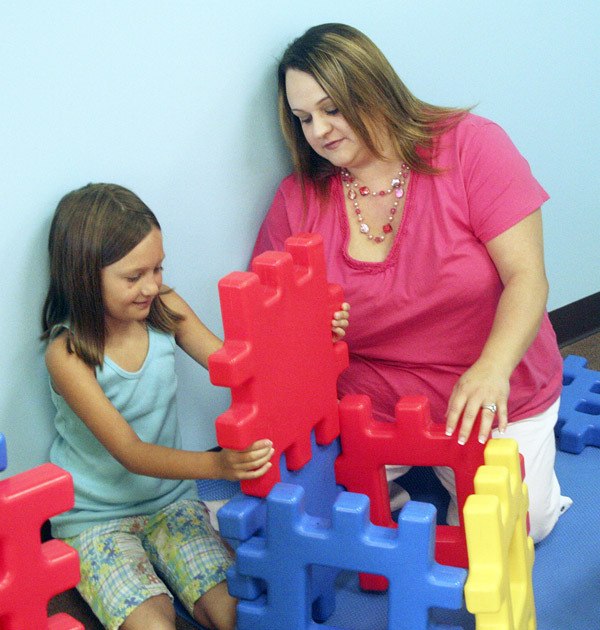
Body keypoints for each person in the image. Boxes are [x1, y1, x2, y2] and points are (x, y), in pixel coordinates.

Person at [253, 23, 571, 542]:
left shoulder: (471, 145)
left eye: (333, 109)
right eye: (303, 118)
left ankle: (520, 479)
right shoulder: (299, 198)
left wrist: (492, 368)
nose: (320, 131)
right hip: (372, 398)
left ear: (373, 88)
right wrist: (311, 327)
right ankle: (410, 477)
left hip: (488, 385)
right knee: (304, 518)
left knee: (511, 531)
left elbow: (528, 279)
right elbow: (271, 318)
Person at [40, 183, 282, 630]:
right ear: (83, 276)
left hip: (171, 503)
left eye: (158, 268)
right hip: (94, 520)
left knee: (236, 614)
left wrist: (310, 331)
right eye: (134, 277)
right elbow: (130, 452)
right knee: (155, 625)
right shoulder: (68, 354)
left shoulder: (165, 308)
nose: (152, 285)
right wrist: (221, 468)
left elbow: (234, 366)